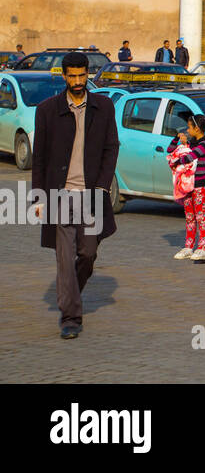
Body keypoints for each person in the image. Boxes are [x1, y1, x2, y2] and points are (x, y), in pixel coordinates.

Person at [32, 51, 120, 339]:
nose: (78, 81)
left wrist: (103, 185)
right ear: (64, 76)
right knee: (64, 256)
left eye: (82, 75)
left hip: (91, 196)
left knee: (88, 253)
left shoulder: (104, 108)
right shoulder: (46, 110)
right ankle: (70, 316)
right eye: (73, 76)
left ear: (87, 75)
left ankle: (72, 293)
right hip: (59, 195)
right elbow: (40, 157)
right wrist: (38, 197)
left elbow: (111, 148)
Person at [167, 113, 205, 261]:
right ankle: (188, 246)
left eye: (189, 127)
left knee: (201, 216)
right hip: (187, 186)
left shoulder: (204, 144)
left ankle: (202, 247)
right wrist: (177, 139)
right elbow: (170, 149)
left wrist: (176, 160)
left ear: (197, 128)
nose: (188, 130)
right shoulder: (191, 143)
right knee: (189, 217)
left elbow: (189, 157)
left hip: (199, 186)